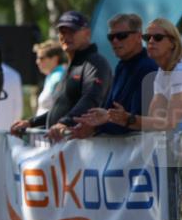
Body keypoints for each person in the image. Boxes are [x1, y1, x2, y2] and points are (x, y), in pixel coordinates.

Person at [77, 18, 182, 132]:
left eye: (158, 37)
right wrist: (110, 116)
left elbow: (170, 123)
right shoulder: (162, 73)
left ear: (173, 43)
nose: (151, 41)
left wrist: (128, 118)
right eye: (147, 38)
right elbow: (154, 121)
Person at [10, 11, 112, 143]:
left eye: (72, 31)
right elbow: (62, 109)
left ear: (87, 33)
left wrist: (65, 123)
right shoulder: (72, 65)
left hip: (82, 150)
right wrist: (31, 122)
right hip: (63, 148)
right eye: (63, 32)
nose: (66, 36)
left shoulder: (95, 63)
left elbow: (91, 100)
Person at [70, 13, 158, 138]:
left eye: (121, 36)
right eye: (111, 37)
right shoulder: (121, 66)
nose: (115, 41)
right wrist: (92, 121)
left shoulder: (149, 68)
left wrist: (96, 128)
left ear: (138, 37)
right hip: (119, 150)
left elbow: (140, 121)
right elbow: (111, 111)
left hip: (142, 151)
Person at [32, 40, 67, 116]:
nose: (37, 62)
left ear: (54, 59)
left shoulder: (58, 77)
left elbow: (61, 109)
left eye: (41, 58)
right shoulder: (52, 76)